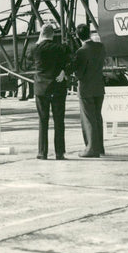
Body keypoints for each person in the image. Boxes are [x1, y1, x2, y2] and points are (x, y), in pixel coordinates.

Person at [31, 24, 70, 160]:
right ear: (53, 35)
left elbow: (29, 60)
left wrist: (39, 41)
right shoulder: (60, 48)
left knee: (43, 120)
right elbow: (70, 59)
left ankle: (42, 152)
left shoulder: (35, 49)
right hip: (58, 88)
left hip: (41, 89)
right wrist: (64, 70)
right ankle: (59, 153)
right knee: (59, 121)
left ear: (42, 34)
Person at [70, 24, 107, 158]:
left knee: (88, 119)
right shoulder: (100, 47)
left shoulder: (81, 51)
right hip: (99, 87)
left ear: (78, 36)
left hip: (86, 88)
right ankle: (100, 147)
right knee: (97, 117)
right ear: (90, 34)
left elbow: (79, 73)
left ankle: (91, 148)